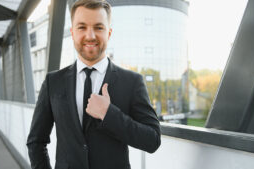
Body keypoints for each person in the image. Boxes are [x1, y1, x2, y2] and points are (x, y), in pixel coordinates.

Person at [26, 0, 161, 169]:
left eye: (98, 27)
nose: (90, 36)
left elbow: (153, 140)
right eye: (82, 27)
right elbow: (36, 142)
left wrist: (109, 114)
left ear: (109, 33)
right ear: (73, 33)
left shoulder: (132, 82)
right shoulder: (53, 82)